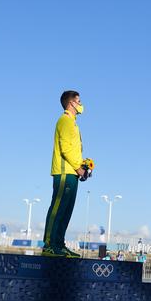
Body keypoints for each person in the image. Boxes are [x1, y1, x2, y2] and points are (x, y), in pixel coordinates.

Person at [41, 90, 87, 257]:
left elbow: (72, 150)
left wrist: (83, 165)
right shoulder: (65, 120)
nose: (81, 104)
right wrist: (78, 168)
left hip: (72, 173)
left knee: (66, 211)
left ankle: (59, 245)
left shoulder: (73, 123)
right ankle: (49, 245)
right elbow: (65, 148)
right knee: (58, 208)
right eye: (78, 101)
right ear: (71, 103)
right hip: (64, 173)